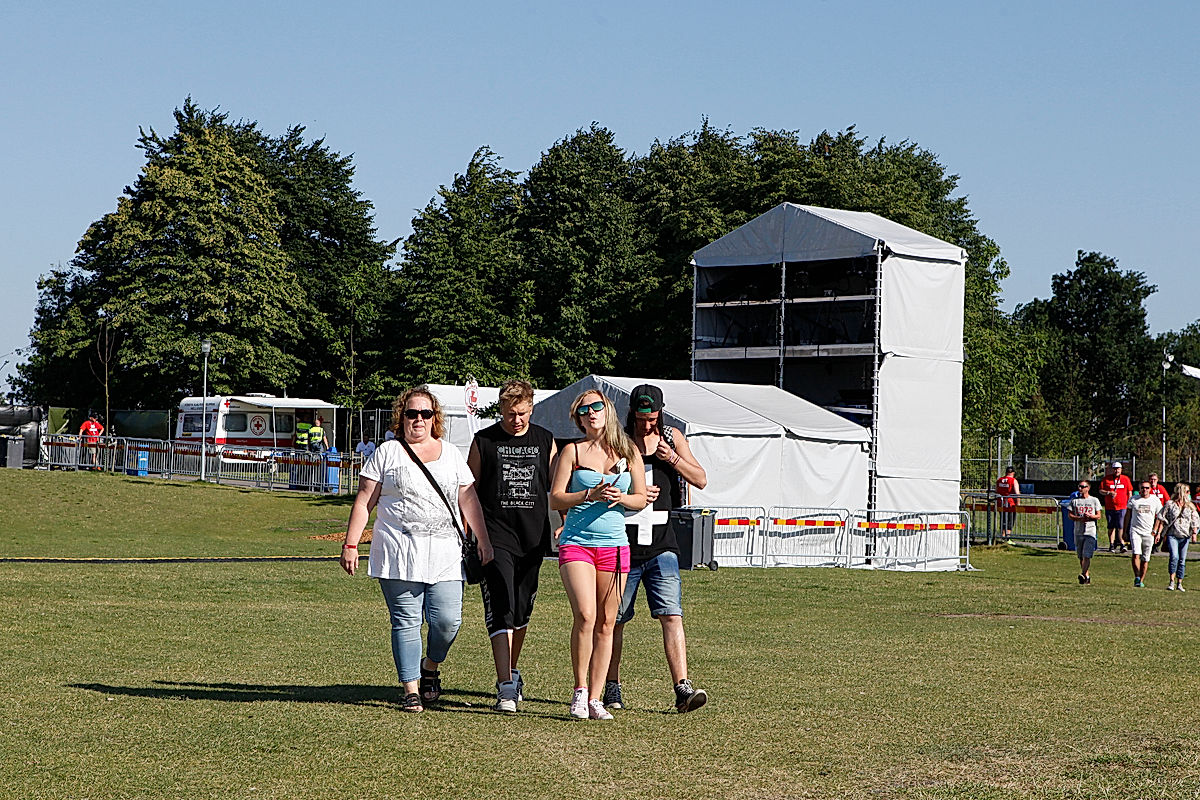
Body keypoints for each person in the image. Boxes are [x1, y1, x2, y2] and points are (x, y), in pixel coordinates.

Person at [340, 387, 494, 712]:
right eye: (412, 413)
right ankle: (410, 688)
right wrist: (351, 544)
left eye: (426, 414)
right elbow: (365, 500)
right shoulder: (387, 452)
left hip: (446, 553)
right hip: (398, 549)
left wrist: (483, 540)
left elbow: (468, 499)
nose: (419, 420)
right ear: (402, 417)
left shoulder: (452, 453)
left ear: (435, 418)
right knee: (405, 620)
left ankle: (430, 668)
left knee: (448, 622)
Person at [604, 383, 710, 714]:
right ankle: (611, 686)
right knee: (615, 619)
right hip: (623, 544)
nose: (647, 424)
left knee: (671, 613)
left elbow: (701, 479)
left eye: (652, 418)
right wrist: (630, 489)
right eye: (641, 417)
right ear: (632, 413)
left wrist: (674, 459)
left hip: (663, 544)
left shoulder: (673, 438)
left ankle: (682, 688)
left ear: (660, 413)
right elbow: (601, 480)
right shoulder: (618, 441)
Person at [550, 388, 647, 720]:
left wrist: (621, 499)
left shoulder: (628, 451)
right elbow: (555, 498)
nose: (590, 413)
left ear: (608, 411)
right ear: (577, 419)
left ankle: (596, 698)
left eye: (596, 407)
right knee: (586, 616)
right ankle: (579, 692)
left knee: (607, 622)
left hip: (615, 546)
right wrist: (588, 493)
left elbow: (640, 498)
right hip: (577, 543)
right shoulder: (572, 451)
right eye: (583, 410)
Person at [468, 380, 558, 713]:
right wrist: (472, 535)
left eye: (521, 413)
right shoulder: (484, 441)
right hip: (495, 536)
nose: (515, 420)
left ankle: (512, 672)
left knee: (521, 611)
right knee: (502, 606)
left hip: (533, 537)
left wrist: (562, 522)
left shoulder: (545, 441)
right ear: (500, 411)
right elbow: (469, 490)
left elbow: (556, 487)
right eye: (509, 414)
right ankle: (505, 685)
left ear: (531, 408)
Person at [1157, 483, 1199, 591]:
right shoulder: (1170, 504)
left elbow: (1195, 520)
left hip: (1185, 536)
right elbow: (1162, 518)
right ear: (1182, 492)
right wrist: (1158, 533)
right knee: (1174, 557)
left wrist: (1194, 533)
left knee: (1182, 560)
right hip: (1172, 535)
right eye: (1187, 491)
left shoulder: (1190, 506)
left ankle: (1180, 582)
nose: (1189, 494)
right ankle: (1171, 580)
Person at [1127, 480, 1163, 588]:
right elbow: (1127, 515)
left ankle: (1141, 580)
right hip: (1135, 530)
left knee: (1145, 558)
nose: (1145, 490)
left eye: (1147, 488)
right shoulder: (1133, 499)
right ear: (1139, 489)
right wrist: (1124, 531)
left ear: (1150, 489)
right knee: (1135, 553)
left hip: (1149, 532)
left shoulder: (1155, 500)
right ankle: (1137, 576)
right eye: (1142, 488)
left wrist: (1156, 531)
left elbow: (1160, 517)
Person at [1068, 480, 1102, 584]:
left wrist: (1091, 517)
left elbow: (1099, 515)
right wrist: (1079, 518)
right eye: (1080, 486)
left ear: (1088, 488)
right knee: (1081, 556)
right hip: (1078, 531)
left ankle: (1082, 574)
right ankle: (1086, 576)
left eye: (1083, 486)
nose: (1081, 488)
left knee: (1087, 554)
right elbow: (1070, 515)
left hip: (1090, 531)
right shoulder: (1075, 501)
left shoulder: (1094, 500)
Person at [1099, 461, 1133, 553]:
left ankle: (1122, 543)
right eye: (1114, 469)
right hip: (1110, 507)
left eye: (1118, 469)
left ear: (1121, 469)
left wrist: (1130, 503)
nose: (1116, 470)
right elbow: (1101, 490)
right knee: (1111, 527)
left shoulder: (1125, 479)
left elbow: (1129, 491)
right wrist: (1108, 492)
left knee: (1121, 526)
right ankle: (1111, 544)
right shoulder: (1106, 479)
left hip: (1122, 507)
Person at [995, 465, 1020, 541]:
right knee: (1010, 520)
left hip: (1000, 503)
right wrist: (1018, 503)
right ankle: (1007, 537)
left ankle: (1002, 536)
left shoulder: (999, 480)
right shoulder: (1013, 480)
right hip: (1010, 504)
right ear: (1013, 473)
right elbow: (1017, 493)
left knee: (1003, 519)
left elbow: (996, 491)